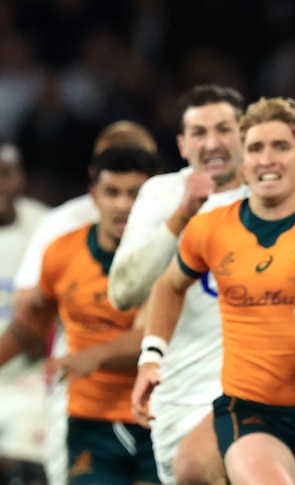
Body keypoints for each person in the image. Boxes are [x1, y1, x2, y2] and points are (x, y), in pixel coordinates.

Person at [131, 96, 295, 485]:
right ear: (243, 163)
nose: (266, 158)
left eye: (280, 146)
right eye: (255, 148)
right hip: (247, 409)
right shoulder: (210, 229)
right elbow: (168, 285)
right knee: (197, 467)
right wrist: (151, 356)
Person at [108, 83, 247, 485]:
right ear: (182, 145)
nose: (213, 143)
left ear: (244, 133)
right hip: (176, 391)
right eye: (200, 133)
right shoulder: (162, 194)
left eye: (224, 129)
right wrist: (182, 215)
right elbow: (123, 292)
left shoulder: (272, 195)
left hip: (252, 383)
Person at [0, 146, 161, 485]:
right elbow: (30, 324)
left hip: (157, 415)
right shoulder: (63, 251)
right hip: (91, 420)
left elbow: (152, 335)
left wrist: (96, 356)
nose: (123, 205)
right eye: (112, 192)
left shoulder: (170, 255)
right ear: (94, 196)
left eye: (135, 194)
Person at [0, 142, 50, 484]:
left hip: (30, 378)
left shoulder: (46, 226)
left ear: (21, 178)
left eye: (4, 174)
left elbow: (41, 323)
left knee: (25, 469)